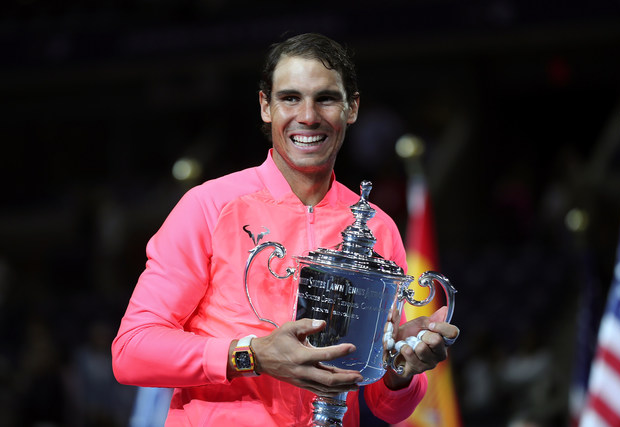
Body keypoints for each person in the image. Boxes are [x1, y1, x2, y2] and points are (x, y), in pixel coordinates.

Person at [112, 32, 460, 426]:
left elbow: (386, 404)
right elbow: (132, 351)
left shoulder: (377, 227)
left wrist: (401, 366)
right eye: (290, 98)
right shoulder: (208, 206)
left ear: (352, 108)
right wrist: (252, 354)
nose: (308, 116)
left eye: (326, 98)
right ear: (265, 106)